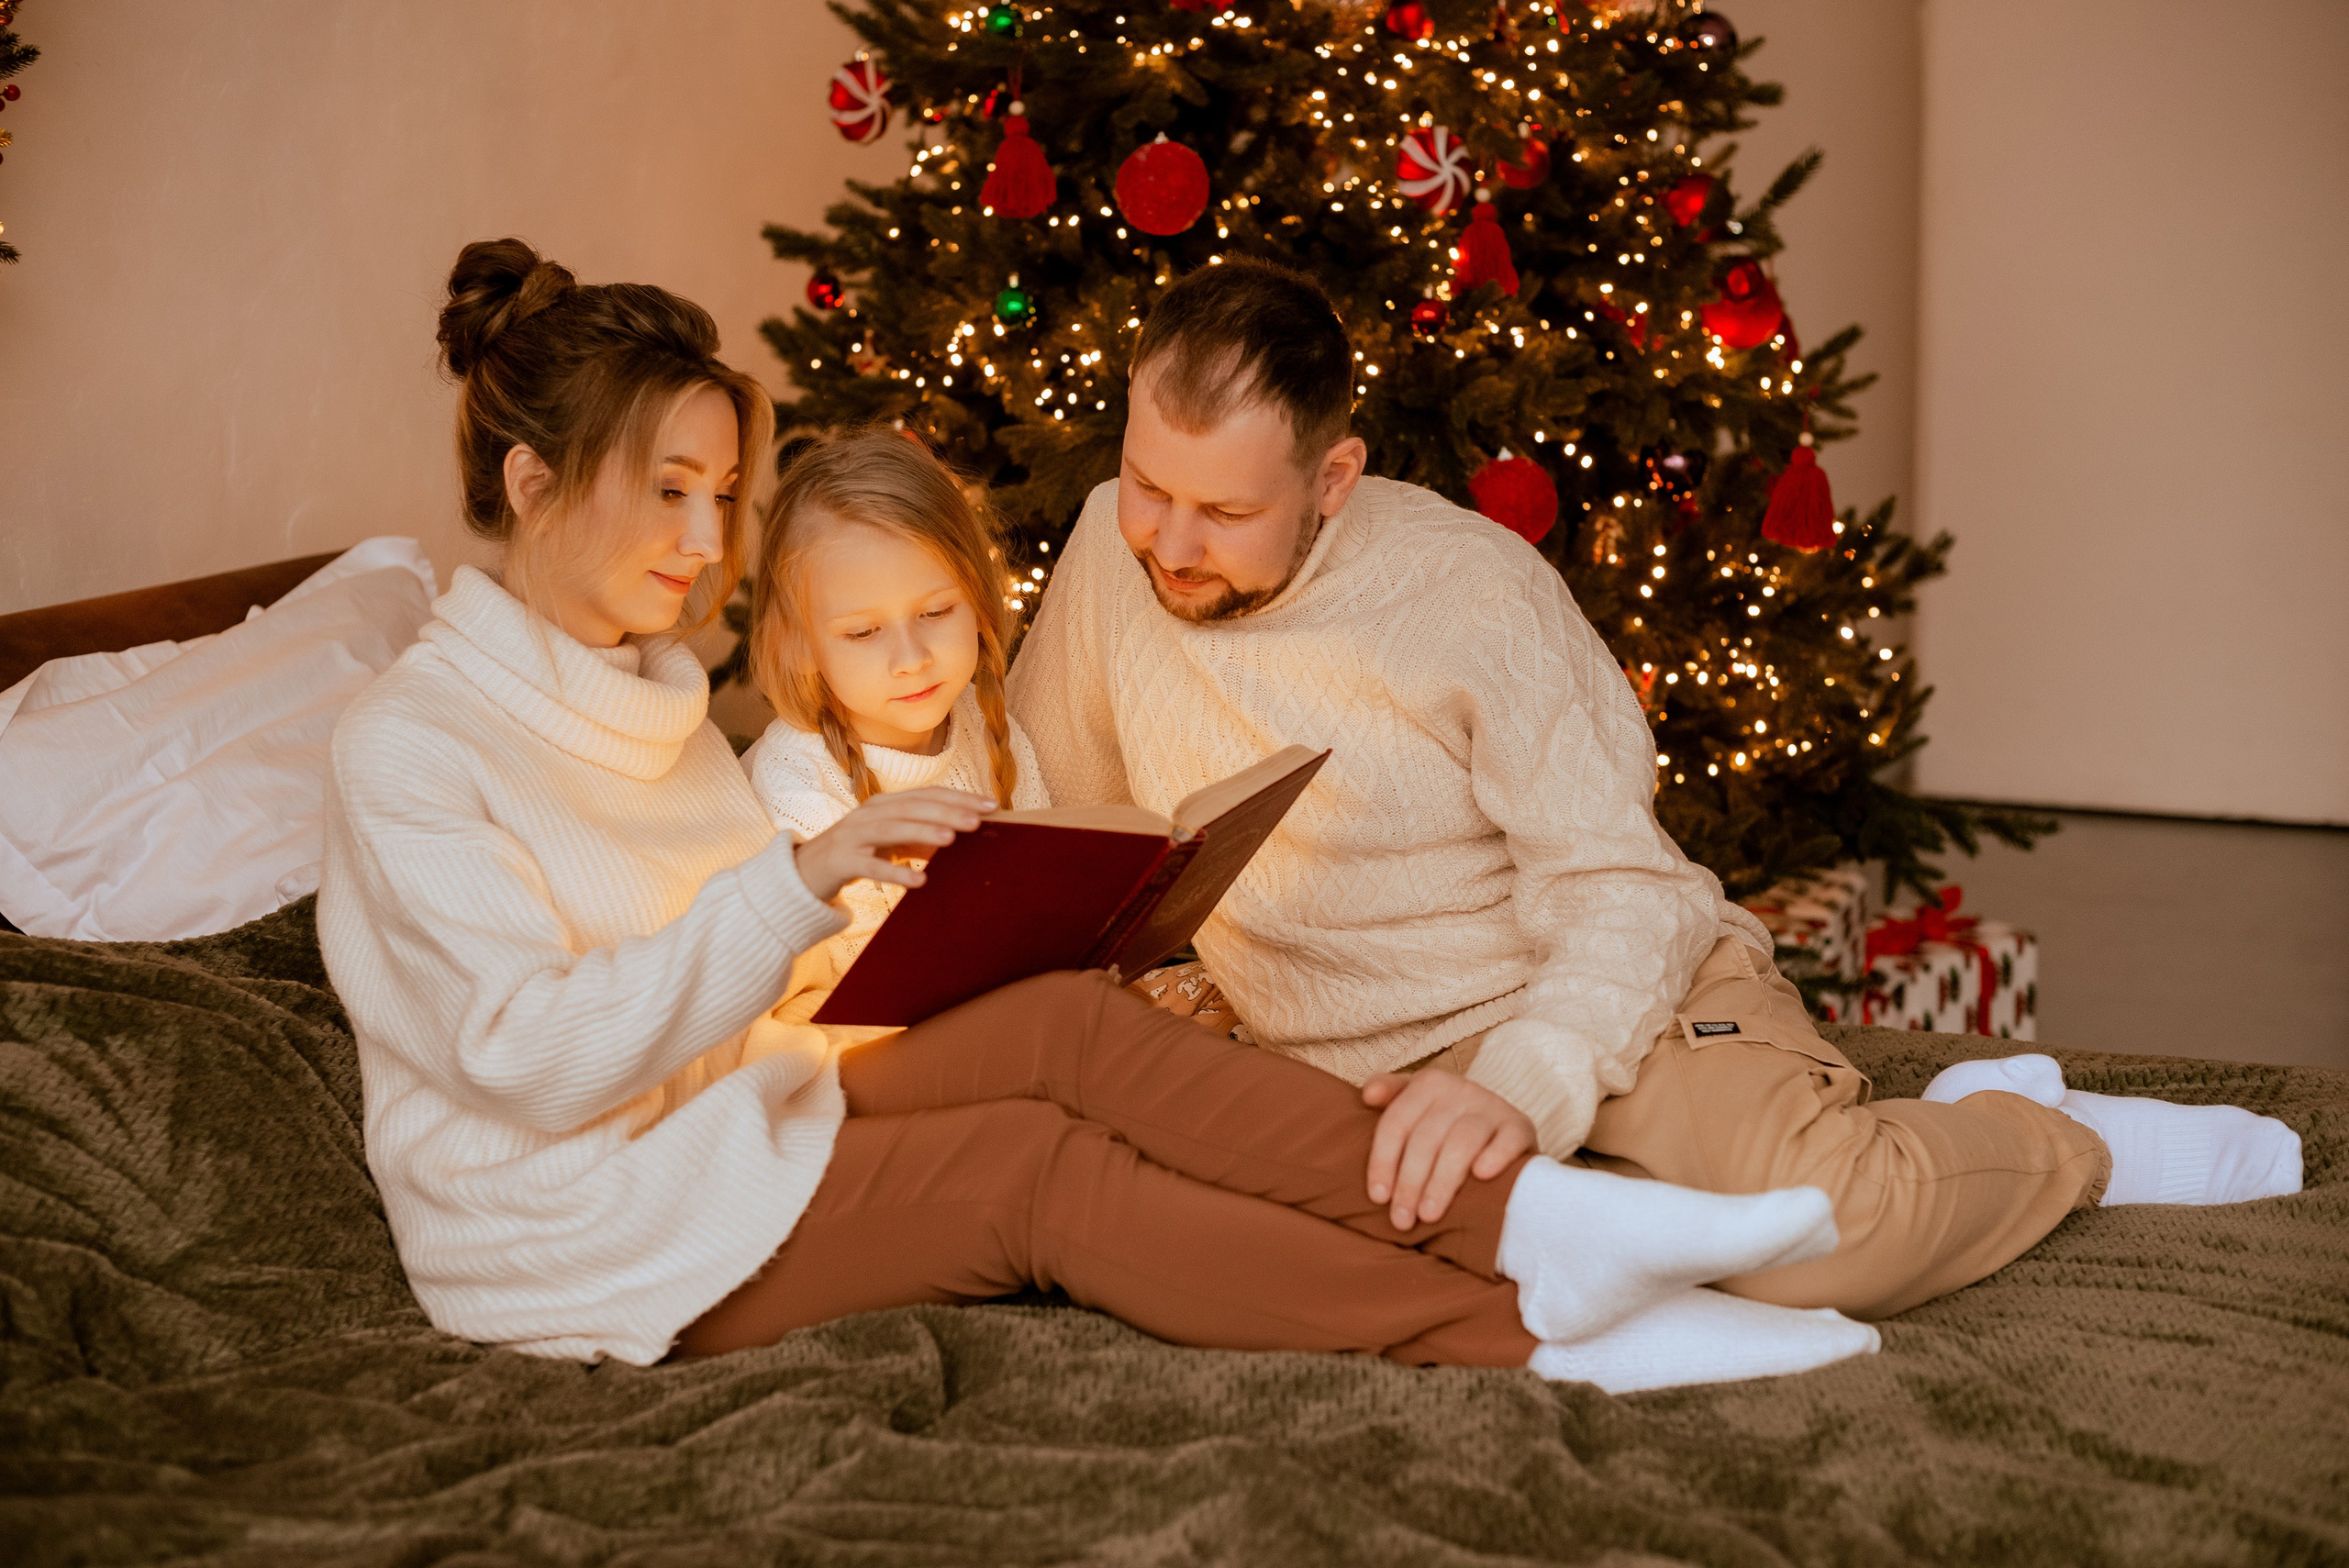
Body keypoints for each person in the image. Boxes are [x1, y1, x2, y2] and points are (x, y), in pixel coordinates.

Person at [315, 238, 1878, 1393]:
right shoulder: (411, 749)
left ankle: (1529, 1215)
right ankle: (1538, 1330)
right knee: (1036, 1179)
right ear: (528, 482)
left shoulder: (653, 697)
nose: (704, 535)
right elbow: (526, 1054)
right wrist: (798, 888)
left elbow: (751, 989)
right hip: (577, 1225)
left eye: (720, 491)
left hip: (742, 1105)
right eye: (666, 490)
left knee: (1065, 1027)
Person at [1007, 257, 2303, 1320]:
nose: (1168, 544)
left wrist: (1519, 1082)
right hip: (1344, 1069)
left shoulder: (1473, 598)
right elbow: (1056, 798)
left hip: (1593, 997)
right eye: (1149, 488)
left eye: (1222, 513)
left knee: (1821, 1241)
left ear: (1333, 481)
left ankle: (2044, 1134)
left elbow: (1619, 886)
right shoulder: (1110, 552)